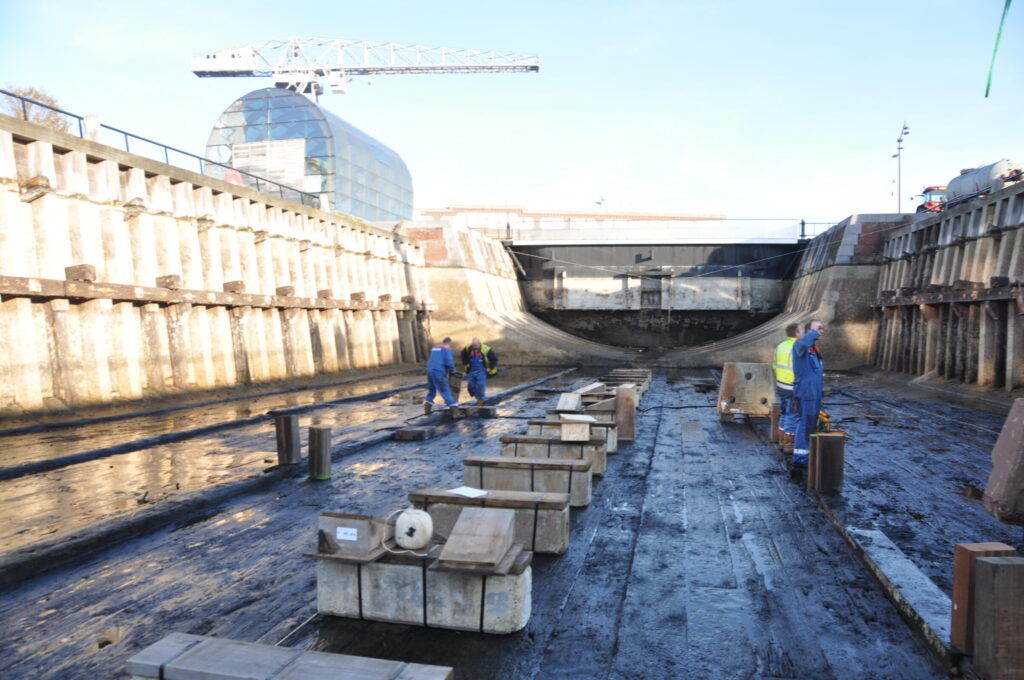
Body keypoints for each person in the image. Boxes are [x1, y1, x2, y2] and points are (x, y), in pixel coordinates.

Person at [791, 319, 825, 467]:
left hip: (814, 392)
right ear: (808, 332)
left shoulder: (813, 349)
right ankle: (800, 458)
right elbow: (802, 345)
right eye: (818, 328)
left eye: (821, 328)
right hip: (806, 392)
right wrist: (812, 331)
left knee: (811, 423)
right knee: (805, 423)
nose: (821, 331)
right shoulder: (800, 345)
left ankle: (806, 454)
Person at [772, 323, 801, 439]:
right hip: (792, 386)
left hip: (781, 386)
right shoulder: (798, 347)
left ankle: (780, 438)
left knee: (784, 412)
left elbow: (774, 366)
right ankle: (789, 441)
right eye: (802, 330)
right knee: (792, 414)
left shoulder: (781, 346)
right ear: (797, 333)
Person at [460, 337, 498, 406]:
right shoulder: (468, 348)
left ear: (479, 343)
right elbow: (463, 354)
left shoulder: (486, 349)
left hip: (482, 370)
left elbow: (494, 359)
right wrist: (466, 363)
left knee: (480, 385)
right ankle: (478, 398)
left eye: (476, 345)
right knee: (471, 386)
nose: (475, 347)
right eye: (473, 345)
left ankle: (481, 400)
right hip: (472, 370)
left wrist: (490, 367)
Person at [424, 337, 457, 414]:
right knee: (444, 389)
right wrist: (453, 371)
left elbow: (433, 359)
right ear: (449, 343)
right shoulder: (447, 348)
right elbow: (449, 361)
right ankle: (455, 409)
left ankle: (427, 407)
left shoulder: (435, 348)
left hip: (430, 370)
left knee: (432, 390)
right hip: (438, 372)